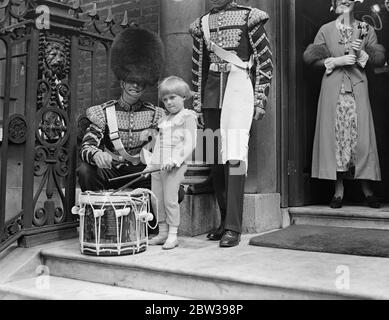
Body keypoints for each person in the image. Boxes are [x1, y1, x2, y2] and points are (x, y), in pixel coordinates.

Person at [189, 0, 273, 247]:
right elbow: (198, 68)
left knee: (235, 156)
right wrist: (198, 103)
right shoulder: (201, 23)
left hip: (239, 90)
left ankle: (233, 227)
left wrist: (260, 99)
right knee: (213, 158)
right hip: (211, 95)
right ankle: (223, 220)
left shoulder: (250, 16)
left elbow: (265, 62)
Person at [303, 0, 386, 209]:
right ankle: (338, 191)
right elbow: (311, 59)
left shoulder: (364, 28)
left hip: (357, 89)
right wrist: (335, 61)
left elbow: (378, 58)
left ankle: (367, 189)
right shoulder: (326, 29)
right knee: (337, 139)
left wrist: (360, 54)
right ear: (334, 5)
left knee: (361, 139)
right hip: (333, 90)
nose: (343, 1)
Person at [77, 27, 166, 194]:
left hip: (141, 174)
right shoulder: (102, 113)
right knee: (85, 171)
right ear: (122, 82)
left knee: (175, 190)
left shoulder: (157, 115)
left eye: (140, 81)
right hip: (112, 171)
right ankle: (100, 215)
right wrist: (96, 154)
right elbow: (86, 146)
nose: (136, 85)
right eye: (131, 80)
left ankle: (149, 219)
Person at [145, 76, 198, 250]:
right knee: (157, 199)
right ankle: (162, 233)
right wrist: (151, 164)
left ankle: (173, 235)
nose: (168, 102)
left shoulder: (187, 117)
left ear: (183, 96)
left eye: (172, 97)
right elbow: (158, 145)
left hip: (174, 165)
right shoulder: (164, 121)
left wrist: (174, 160)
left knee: (170, 199)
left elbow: (189, 142)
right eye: (165, 99)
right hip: (158, 165)